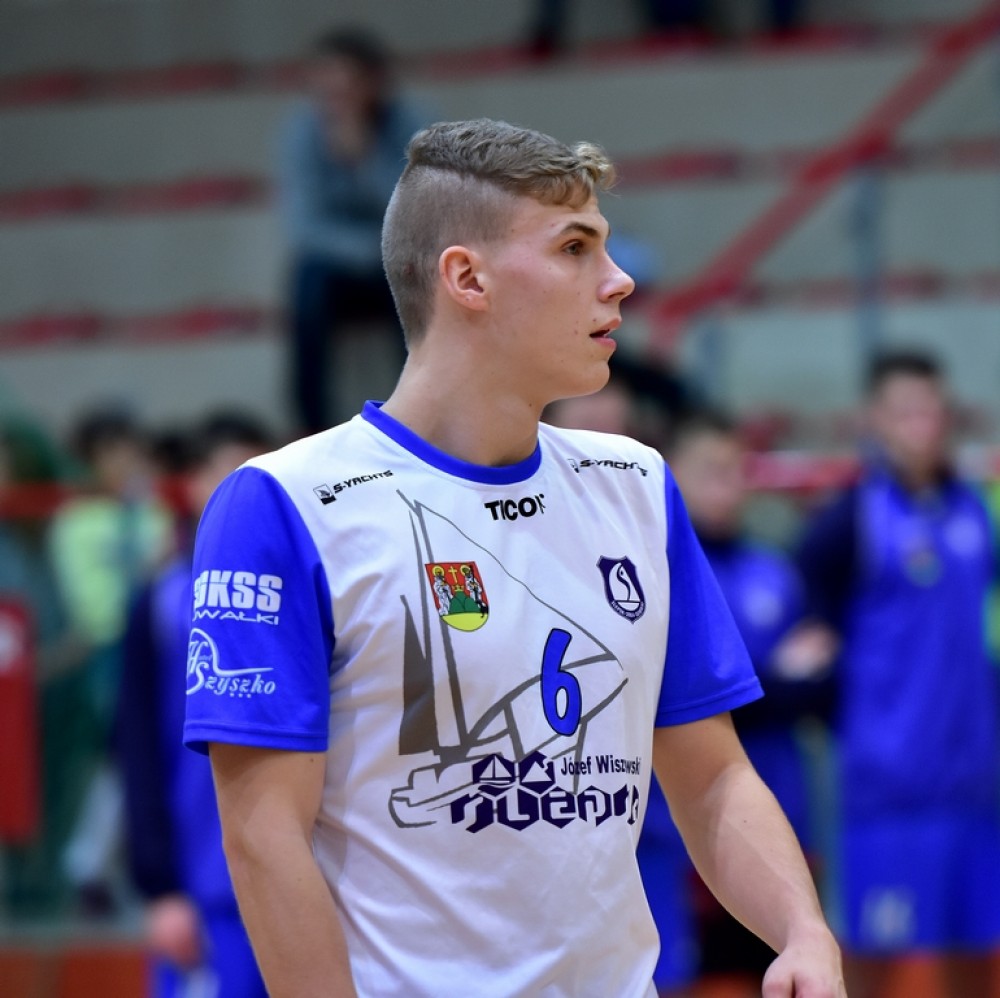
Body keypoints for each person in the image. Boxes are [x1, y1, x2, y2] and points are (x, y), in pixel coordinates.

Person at [185, 117, 844, 997]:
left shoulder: (637, 486)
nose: (619, 279)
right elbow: (263, 837)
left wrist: (802, 933)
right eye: (574, 248)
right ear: (468, 278)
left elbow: (713, 776)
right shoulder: (285, 503)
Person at [797, 349, 1000, 998]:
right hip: (887, 793)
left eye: (932, 410)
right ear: (875, 421)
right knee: (873, 957)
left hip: (974, 784)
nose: (922, 424)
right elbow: (806, 634)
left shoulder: (976, 511)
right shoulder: (847, 522)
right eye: (906, 411)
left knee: (977, 952)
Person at [665, 409, 837, 997]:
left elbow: (821, 683)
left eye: (736, 471)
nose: (727, 486)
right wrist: (774, 680)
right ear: (672, 473)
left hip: (784, 808)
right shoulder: (658, 571)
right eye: (711, 471)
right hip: (687, 830)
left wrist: (763, 689)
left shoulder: (775, 572)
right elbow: (690, 700)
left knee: (788, 971)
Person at [117, 411, 273, 997]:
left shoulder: (312, 588)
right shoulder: (159, 600)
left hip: (299, 880)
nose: (247, 492)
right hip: (200, 889)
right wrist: (160, 888)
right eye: (231, 473)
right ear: (193, 485)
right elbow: (135, 747)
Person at [47, 405, 174, 914]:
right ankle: (89, 867)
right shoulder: (74, 520)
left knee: (143, 756)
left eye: (131, 450)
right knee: (122, 756)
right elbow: (93, 607)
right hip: (112, 652)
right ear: (90, 460)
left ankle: (98, 868)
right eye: (111, 452)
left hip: (165, 646)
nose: (125, 461)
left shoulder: (155, 506)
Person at [278, 26, 431, 435]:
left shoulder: (411, 123)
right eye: (325, 90)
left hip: (400, 255)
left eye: (346, 88)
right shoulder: (303, 130)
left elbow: (416, 207)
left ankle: (419, 417)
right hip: (343, 262)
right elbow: (304, 226)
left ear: (373, 83)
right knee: (306, 285)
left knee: (419, 282)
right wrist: (370, 252)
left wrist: (362, 156)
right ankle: (309, 426)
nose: (335, 100)